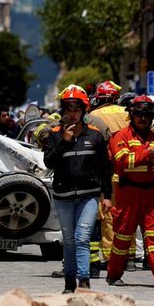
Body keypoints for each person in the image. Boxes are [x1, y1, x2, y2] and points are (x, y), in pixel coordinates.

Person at [106, 95, 154, 288]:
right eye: (139, 115)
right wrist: (147, 155)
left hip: (150, 194)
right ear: (132, 114)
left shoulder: (153, 137)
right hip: (128, 194)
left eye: (147, 115)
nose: (143, 119)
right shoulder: (120, 136)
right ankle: (114, 275)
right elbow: (121, 162)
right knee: (123, 236)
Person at [43, 85, 113, 294]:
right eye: (68, 109)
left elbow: (104, 168)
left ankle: (84, 281)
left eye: (76, 109)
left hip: (88, 196)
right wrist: (64, 142)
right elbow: (48, 162)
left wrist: (107, 196)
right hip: (62, 196)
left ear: (84, 111)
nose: (72, 114)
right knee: (70, 239)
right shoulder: (54, 135)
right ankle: (69, 282)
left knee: (83, 237)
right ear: (63, 111)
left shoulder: (95, 136)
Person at [87, 81, 132, 277]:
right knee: (127, 213)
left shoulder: (93, 116)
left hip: (107, 170)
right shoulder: (127, 113)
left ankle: (110, 257)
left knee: (107, 216)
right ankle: (129, 257)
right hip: (130, 168)